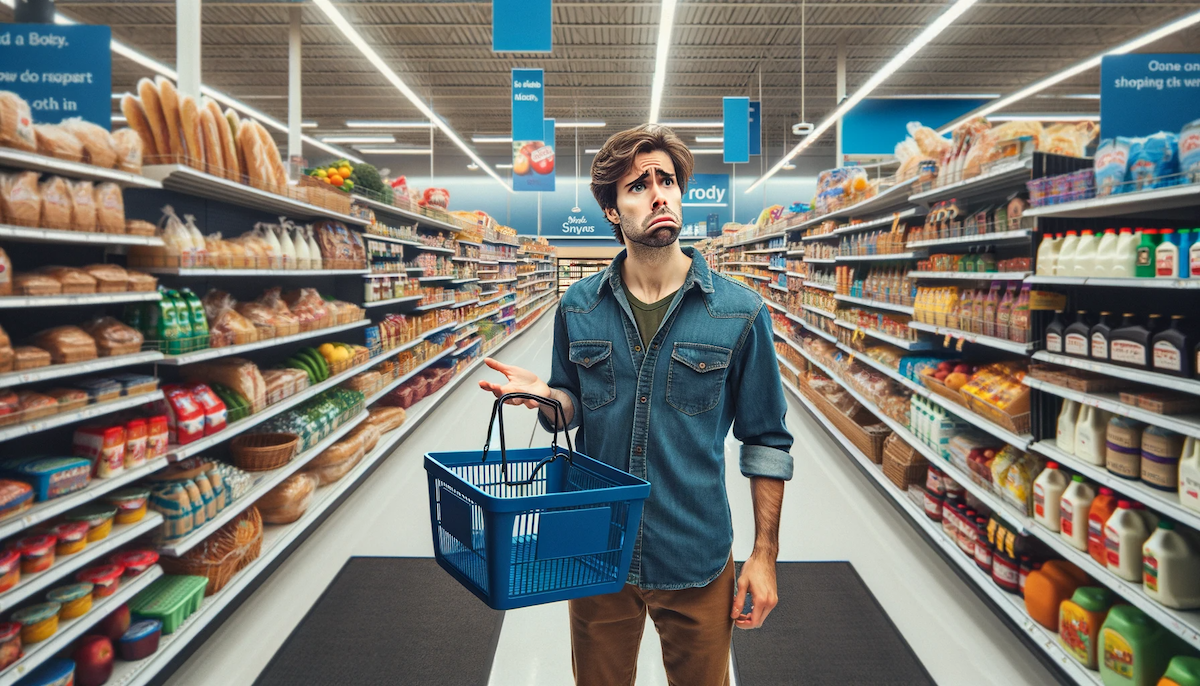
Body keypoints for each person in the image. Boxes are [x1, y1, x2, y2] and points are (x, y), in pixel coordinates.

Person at [479, 124, 793, 686]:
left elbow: (766, 439)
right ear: (611, 210)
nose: (658, 194)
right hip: (595, 550)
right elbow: (570, 406)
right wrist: (546, 399)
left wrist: (764, 553)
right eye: (637, 186)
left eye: (667, 180)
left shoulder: (740, 313)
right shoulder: (578, 307)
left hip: (694, 555)